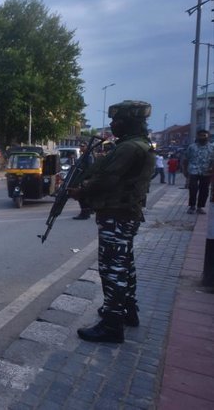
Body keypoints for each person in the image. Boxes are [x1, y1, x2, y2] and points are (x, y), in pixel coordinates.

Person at [69, 100, 155, 343]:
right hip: (125, 213)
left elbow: (107, 179)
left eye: (116, 120)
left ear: (128, 122)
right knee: (125, 264)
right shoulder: (138, 145)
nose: (112, 124)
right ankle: (127, 310)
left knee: (112, 267)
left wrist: (81, 191)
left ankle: (112, 324)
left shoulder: (129, 148)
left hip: (118, 214)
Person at [182, 129, 214, 214]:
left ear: (208, 137)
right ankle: (192, 206)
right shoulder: (192, 147)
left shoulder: (212, 147)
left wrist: (212, 168)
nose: (203, 137)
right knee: (193, 188)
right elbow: (186, 159)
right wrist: (185, 171)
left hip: (206, 172)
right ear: (198, 136)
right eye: (201, 135)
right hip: (193, 171)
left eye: (205, 135)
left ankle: (200, 207)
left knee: (204, 190)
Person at [72, 141, 95, 220]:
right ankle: (85, 212)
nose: (81, 147)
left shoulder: (89, 156)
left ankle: (85, 213)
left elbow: (89, 169)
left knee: (83, 197)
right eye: (80, 146)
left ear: (87, 147)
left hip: (86, 179)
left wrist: (85, 179)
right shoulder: (84, 155)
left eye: (83, 146)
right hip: (81, 178)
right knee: (82, 197)